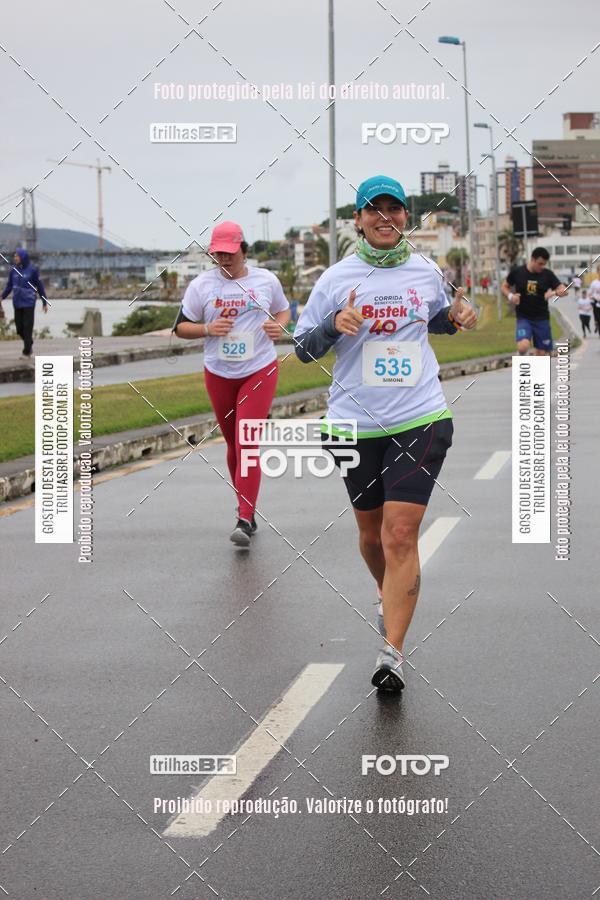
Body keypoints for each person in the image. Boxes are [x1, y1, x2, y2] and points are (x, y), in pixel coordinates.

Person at [294, 175, 477, 694]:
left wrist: (461, 315)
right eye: (374, 210)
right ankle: (388, 594)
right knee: (372, 535)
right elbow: (304, 348)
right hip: (353, 423)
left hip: (420, 417)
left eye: (394, 209)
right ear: (358, 219)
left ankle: (391, 653)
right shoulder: (335, 278)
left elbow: (439, 319)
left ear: (404, 217)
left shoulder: (425, 271)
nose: (385, 218)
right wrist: (334, 324)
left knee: (400, 533)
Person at [173, 221, 290, 546]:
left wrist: (277, 326)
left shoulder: (266, 280)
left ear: (243, 249)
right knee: (232, 444)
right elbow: (181, 328)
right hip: (219, 372)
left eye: (229, 253)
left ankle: (245, 516)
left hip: (259, 368)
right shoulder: (201, 286)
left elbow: (283, 310)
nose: (224, 259)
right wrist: (209, 330)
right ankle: (244, 504)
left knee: (247, 442)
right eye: (218, 254)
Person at [502, 247, 567, 355]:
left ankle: (536, 370)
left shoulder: (547, 274)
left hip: (541, 318)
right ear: (532, 259)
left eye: (544, 264)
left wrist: (558, 292)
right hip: (524, 318)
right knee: (523, 347)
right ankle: (523, 365)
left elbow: (561, 288)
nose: (542, 267)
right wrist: (511, 296)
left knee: (542, 353)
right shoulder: (518, 272)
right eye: (540, 263)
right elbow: (504, 286)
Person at [0, 248, 48, 359]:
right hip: (17, 303)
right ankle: (29, 341)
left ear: (23, 257)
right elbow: (9, 287)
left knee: (27, 328)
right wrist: (2, 297)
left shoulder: (32, 270)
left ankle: (26, 352)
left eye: (17, 256)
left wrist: (44, 302)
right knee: (19, 328)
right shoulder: (13, 271)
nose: (15, 258)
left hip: (29, 303)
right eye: (14, 256)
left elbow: (39, 287)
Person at [588, 268, 600, 336]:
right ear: (597, 272)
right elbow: (589, 294)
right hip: (596, 303)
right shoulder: (594, 283)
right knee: (598, 319)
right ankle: (597, 324)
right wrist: (594, 297)